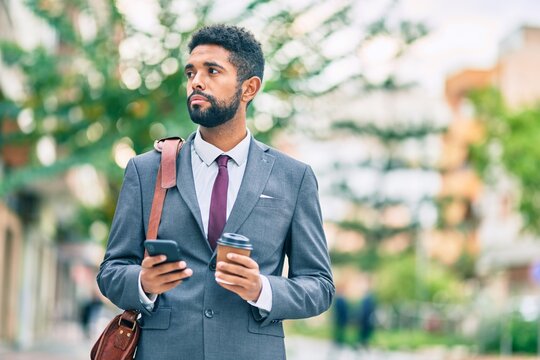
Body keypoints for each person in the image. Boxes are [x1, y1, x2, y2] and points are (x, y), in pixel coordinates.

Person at [97, 24, 334, 360]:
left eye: (212, 71)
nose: (196, 81)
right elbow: (110, 271)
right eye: (191, 71)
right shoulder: (146, 170)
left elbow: (319, 286)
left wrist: (262, 289)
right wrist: (143, 282)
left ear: (249, 88)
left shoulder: (294, 178)